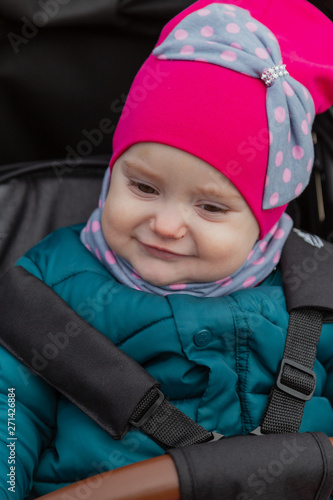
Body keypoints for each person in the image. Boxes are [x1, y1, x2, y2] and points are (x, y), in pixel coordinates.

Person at [1, 0, 333, 498]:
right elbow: (11, 413)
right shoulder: (51, 288)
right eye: (144, 188)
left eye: (211, 208)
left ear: (265, 222)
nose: (167, 225)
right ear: (113, 173)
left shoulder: (312, 288)